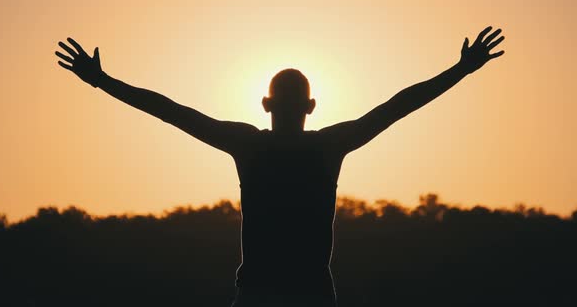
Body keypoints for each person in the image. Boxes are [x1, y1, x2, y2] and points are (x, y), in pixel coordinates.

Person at [55, 26, 504, 306]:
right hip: (298, 296)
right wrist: (459, 70)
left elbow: (171, 111)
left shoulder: (250, 145)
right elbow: (397, 107)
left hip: (266, 297)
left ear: (266, 103)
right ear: (311, 105)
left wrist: (103, 82)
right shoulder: (327, 147)